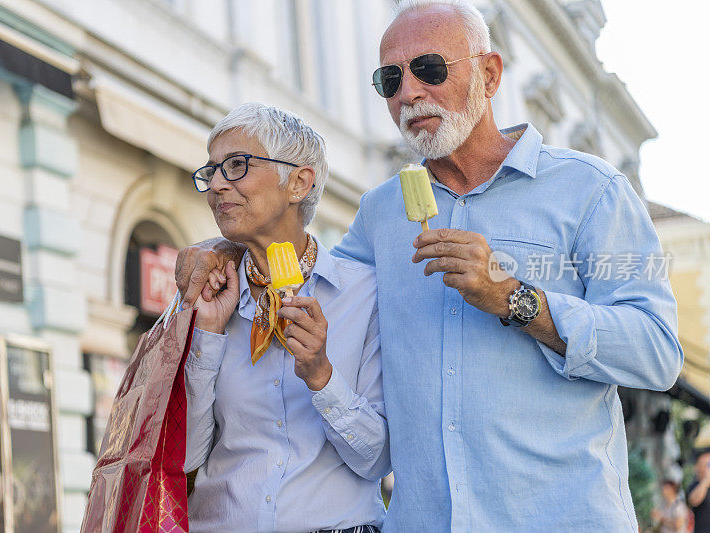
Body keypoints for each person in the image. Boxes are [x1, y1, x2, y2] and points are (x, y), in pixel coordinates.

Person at [174, 1, 683, 530]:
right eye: (389, 79)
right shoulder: (380, 213)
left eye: (430, 69)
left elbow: (656, 352)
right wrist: (225, 247)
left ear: (489, 74)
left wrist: (514, 298)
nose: (409, 92)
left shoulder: (590, 191)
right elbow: (309, 267)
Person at [181, 102, 390, 533]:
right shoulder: (207, 289)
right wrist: (207, 333)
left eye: (237, 165)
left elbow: (377, 460)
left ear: (298, 182)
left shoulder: (364, 293)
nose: (217, 184)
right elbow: (183, 456)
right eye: (212, 170)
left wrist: (321, 375)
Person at [688, 452, 710, 532]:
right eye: (707, 465)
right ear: (698, 467)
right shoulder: (694, 486)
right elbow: (693, 501)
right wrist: (705, 481)